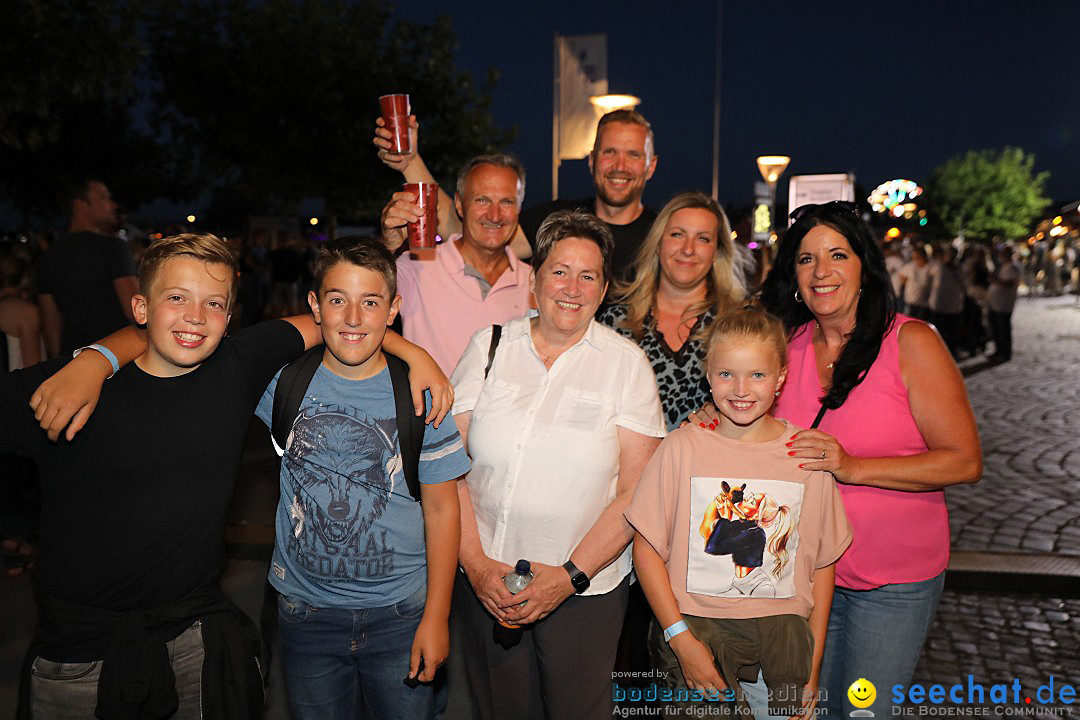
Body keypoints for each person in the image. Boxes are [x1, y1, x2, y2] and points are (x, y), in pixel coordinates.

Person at [8, 233, 452, 718]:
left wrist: (416, 354)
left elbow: (339, 322)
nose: (195, 316)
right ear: (140, 305)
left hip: (192, 640)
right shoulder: (64, 390)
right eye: (176, 297)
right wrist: (95, 358)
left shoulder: (237, 367)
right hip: (77, 651)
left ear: (230, 314)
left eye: (213, 303)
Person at [757, 201, 982, 718]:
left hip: (893, 581)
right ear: (792, 274)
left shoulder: (911, 341)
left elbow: (964, 461)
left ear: (865, 267)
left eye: (837, 254)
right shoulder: (782, 348)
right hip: (804, 576)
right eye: (806, 259)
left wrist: (854, 467)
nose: (821, 271)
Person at [449, 210, 665, 720]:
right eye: (560, 270)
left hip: (585, 593)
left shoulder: (626, 365)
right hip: (487, 583)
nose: (572, 287)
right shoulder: (489, 347)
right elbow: (446, 468)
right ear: (535, 279)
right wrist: (476, 567)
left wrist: (569, 577)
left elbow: (635, 492)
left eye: (588, 275)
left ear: (604, 287)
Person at [254, 239, 468, 719]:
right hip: (305, 613)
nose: (352, 316)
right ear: (314, 306)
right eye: (336, 300)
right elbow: (212, 349)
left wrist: (437, 616)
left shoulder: (421, 397)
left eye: (370, 302)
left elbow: (441, 507)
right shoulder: (281, 384)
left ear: (394, 308)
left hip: (401, 613)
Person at [628, 306, 850, 719]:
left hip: (783, 648)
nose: (741, 389)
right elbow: (646, 550)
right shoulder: (681, 448)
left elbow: (822, 568)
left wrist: (812, 671)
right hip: (697, 640)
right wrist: (680, 639)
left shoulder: (806, 457)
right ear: (708, 375)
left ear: (781, 377)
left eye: (758, 375)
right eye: (727, 373)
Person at [375, 109, 659, 281]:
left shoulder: (667, 234)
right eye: (609, 152)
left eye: (633, 155)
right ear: (592, 160)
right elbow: (468, 234)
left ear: (651, 166)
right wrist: (410, 162)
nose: (620, 166)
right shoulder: (559, 220)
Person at [598, 191, 746, 431]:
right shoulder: (615, 321)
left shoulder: (739, 322)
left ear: (716, 251)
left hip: (709, 465)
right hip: (631, 463)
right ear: (658, 244)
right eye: (677, 235)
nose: (688, 249)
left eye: (703, 239)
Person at [380, 154, 532, 374]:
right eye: (482, 200)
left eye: (507, 202)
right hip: (434, 409)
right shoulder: (416, 269)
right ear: (459, 204)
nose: (495, 215)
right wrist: (388, 244)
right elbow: (358, 301)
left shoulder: (536, 284)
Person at [35, 178, 139, 356]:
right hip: (118, 356)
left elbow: (51, 326)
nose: (112, 205)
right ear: (80, 205)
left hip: (76, 357)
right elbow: (135, 310)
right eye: (104, 198)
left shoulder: (47, 257)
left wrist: (58, 367)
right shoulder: (113, 248)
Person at [927, 244, 966, 357]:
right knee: (940, 332)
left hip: (951, 306)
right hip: (940, 305)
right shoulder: (939, 266)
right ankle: (941, 353)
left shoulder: (958, 269)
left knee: (950, 332)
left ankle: (949, 353)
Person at [986, 243, 1021, 362]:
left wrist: (994, 279)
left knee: (1003, 329)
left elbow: (1008, 283)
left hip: (1004, 304)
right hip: (996, 303)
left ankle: (1005, 353)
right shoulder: (1004, 266)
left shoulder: (1012, 267)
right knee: (997, 329)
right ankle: (998, 351)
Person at [897, 246, 930, 320]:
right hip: (910, 301)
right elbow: (901, 274)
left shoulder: (930, 267)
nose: (915, 259)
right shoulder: (911, 266)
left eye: (917, 256)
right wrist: (907, 283)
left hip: (924, 303)